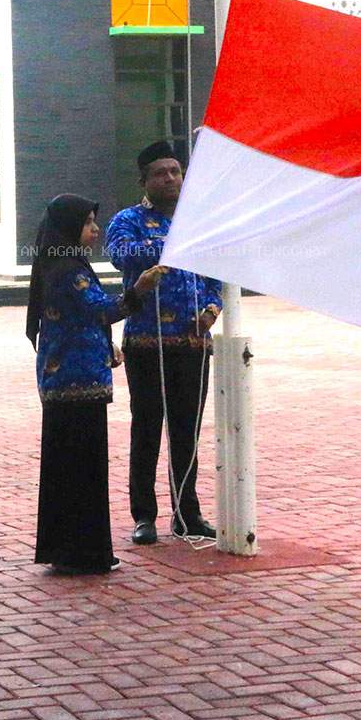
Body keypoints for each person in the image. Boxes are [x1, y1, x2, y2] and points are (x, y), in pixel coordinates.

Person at [28, 194, 167, 574]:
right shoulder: (68, 270)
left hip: (68, 380)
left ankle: (69, 550)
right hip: (76, 384)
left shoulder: (61, 264)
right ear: (70, 227)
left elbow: (81, 319)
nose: (95, 230)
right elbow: (101, 308)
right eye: (89, 222)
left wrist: (105, 346)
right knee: (81, 471)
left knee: (68, 469)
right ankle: (83, 554)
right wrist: (137, 290)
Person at [106, 141, 223, 545]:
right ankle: (144, 515)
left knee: (186, 430)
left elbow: (213, 274)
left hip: (192, 345)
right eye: (161, 173)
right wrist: (172, 244)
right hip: (145, 344)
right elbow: (121, 255)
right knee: (147, 428)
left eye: (176, 171)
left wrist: (212, 308)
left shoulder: (198, 221)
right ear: (144, 180)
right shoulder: (128, 220)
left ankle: (187, 514)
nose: (171, 179)